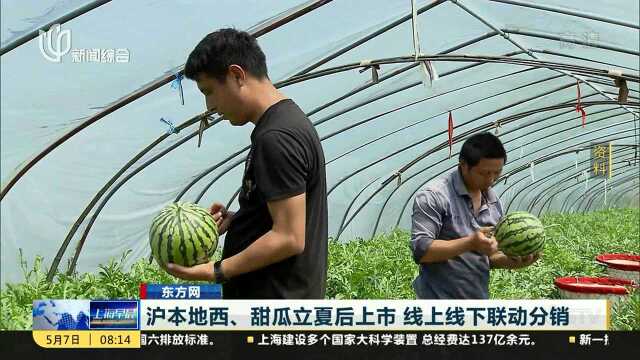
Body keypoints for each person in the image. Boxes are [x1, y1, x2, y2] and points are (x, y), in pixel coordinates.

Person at [166, 28, 328, 299]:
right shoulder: (284, 123)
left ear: (237, 75)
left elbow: (289, 237)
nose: (209, 106)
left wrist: (215, 271)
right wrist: (244, 220)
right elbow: (285, 216)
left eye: (209, 91)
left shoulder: (276, 137)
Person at [410, 132, 538, 299]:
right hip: (438, 304)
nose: (491, 180)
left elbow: (487, 257)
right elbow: (422, 251)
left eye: (497, 173)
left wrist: (513, 262)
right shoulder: (434, 196)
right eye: (485, 173)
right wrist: (470, 242)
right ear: (464, 165)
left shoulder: (493, 201)